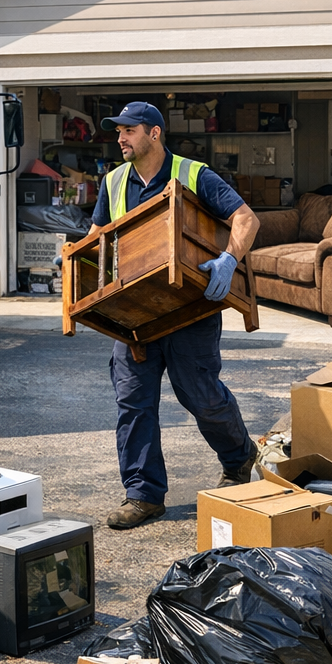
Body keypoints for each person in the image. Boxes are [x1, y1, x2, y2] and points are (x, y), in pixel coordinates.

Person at [89, 102, 260, 531]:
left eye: (129, 130)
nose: (120, 138)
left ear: (154, 133)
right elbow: (96, 240)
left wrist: (228, 260)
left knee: (199, 394)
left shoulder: (193, 173)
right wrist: (79, 269)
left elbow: (245, 218)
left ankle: (239, 458)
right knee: (133, 403)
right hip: (134, 316)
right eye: (118, 131)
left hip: (189, 311)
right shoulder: (112, 183)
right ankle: (143, 495)